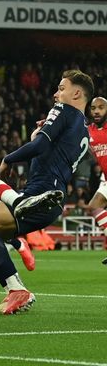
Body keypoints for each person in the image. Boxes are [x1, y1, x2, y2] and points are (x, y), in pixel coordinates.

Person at [0, 69, 93, 314]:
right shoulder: (83, 129)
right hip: (51, 199)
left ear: (76, 93)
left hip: (39, 195)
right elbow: (49, 148)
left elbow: (40, 145)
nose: (56, 94)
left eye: (61, 88)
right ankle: (15, 282)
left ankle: (16, 289)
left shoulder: (64, 111)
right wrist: (42, 133)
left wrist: (8, 159)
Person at [83, 97, 107, 264]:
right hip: (106, 178)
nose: (97, 111)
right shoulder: (88, 130)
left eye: (101, 107)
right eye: (93, 108)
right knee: (94, 206)